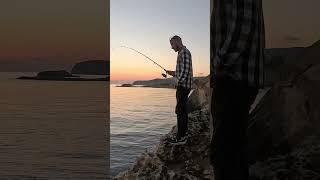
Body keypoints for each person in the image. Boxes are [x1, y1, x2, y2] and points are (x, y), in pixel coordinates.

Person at [210, 0, 265, 179]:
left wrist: (218, 64)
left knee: (223, 153)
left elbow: (243, 25)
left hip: (233, 77)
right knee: (235, 148)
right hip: (235, 77)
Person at [166, 35, 193, 145]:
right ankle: (183, 134)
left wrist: (178, 82)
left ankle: (181, 137)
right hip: (183, 85)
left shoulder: (184, 52)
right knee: (181, 110)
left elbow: (186, 71)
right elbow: (182, 71)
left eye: (172, 44)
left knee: (180, 111)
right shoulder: (181, 53)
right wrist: (173, 73)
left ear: (177, 42)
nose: (172, 47)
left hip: (183, 86)